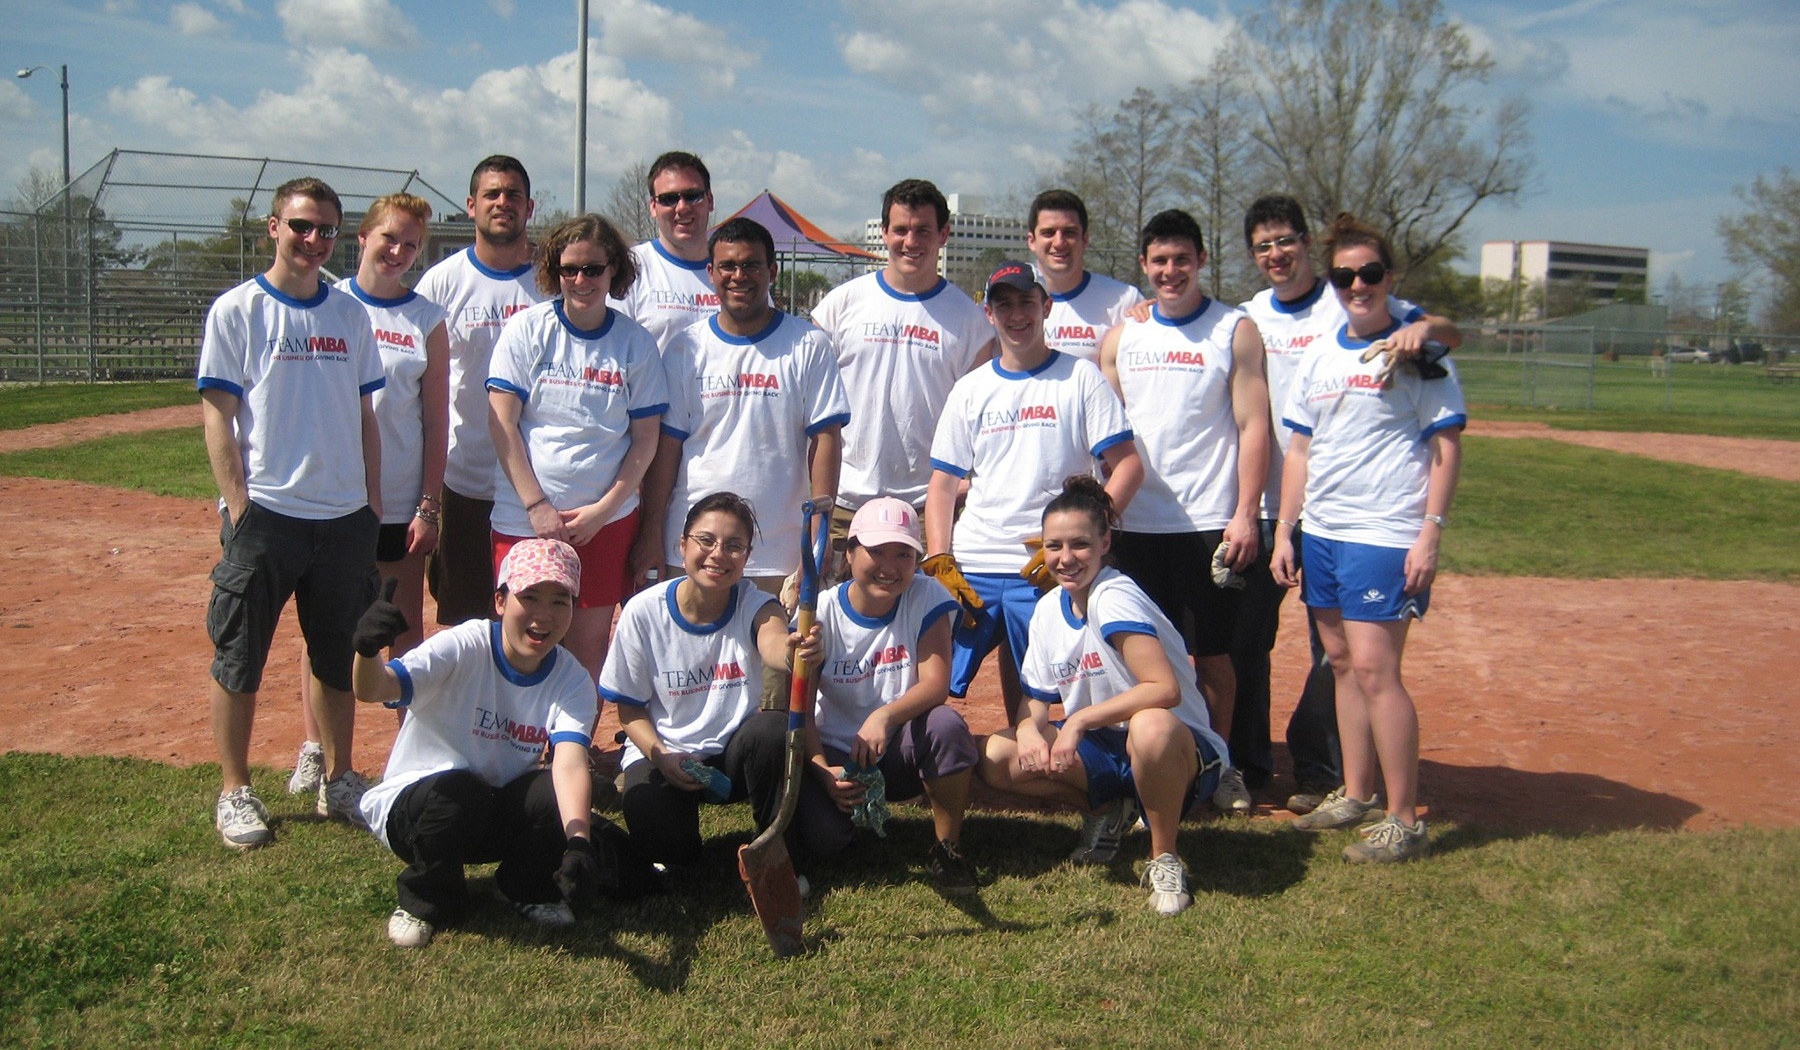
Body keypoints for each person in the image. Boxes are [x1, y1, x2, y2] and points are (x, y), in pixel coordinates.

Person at [1237, 194, 1461, 814]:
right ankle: (1324, 786)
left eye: (1367, 274)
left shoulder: (1394, 332)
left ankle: (1370, 797)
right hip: (1306, 516)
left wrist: (1431, 532)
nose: (1356, 285)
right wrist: (1283, 526)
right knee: (1325, 658)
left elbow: (1446, 421)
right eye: (1346, 277)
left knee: (1367, 665)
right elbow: (1299, 443)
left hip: (1380, 524)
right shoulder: (1282, 330)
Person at [198, 176, 384, 849]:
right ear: (273, 228)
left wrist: (371, 503)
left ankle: (339, 779)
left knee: (338, 656)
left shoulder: (348, 315)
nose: (313, 241)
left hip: (342, 518)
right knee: (240, 654)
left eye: (326, 230)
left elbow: (366, 414)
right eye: (300, 226)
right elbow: (218, 417)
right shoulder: (238, 311)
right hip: (267, 515)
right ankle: (235, 790)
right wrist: (241, 508)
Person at [979, 476, 1228, 917]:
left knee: (1149, 725)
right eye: (1054, 545)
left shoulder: (1114, 597)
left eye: (1079, 544)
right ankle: (1110, 807)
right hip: (1106, 745)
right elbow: (1034, 699)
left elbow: (1163, 690)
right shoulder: (1046, 610)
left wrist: (1077, 721)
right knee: (997, 754)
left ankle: (1164, 857)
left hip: (1176, 746)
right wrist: (1030, 731)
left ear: (1105, 541)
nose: (1065, 557)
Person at [352, 539, 607, 948]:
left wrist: (579, 841)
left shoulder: (572, 678)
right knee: (459, 790)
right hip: (420, 811)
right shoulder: (463, 645)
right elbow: (377, 688)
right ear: (501, 601)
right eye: (530, 597)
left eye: (561, 601)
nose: (544, 615)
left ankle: (522, 886)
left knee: (549, 793)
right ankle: (426, 899)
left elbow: (570, 763)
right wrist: (366, 653)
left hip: (488, 809)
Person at [1097, 209, 1268, 816]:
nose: (1171, 271)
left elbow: (1254, 427)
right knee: (1139, 656)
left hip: (1207, 522)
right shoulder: (1123, 338)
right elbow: (1103, 435)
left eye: (1182, 259)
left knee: (1213, 657)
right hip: (1135, 527)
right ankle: (1142, 765)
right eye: (1160, 261)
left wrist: (1245, 512)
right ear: (1144, 266)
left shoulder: (1234, 330)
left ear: (1200, 262)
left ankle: (1222, 765)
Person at [925, 261, 1142, 722]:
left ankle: (1043, 764)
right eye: (1004, 304)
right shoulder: (970, 389)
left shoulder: (1079, 378)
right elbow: (943, 485)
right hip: (975, 566)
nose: (1017, 314)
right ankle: (918, 765)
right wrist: (939, 558)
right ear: (989, 313)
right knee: (934, 673)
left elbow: (1127, 467)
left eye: (1027, 302)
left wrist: (1078, 542)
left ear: (1046, 307)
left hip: (1043, 568)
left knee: (1044, 681)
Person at [289, 192, 451, 797]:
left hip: (399, 498)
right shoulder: (330, 306)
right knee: (329, 628)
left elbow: (436, 421)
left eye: (411, 244)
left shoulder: (427, 320)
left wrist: (428, 503)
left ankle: (408, 751)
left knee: (401, 626)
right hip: (334, 496)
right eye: (389, 238)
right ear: (361, 237)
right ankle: (318, 749)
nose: (399, 252)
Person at [486, 214, 667, 684]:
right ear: (554, 271)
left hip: (603, 523)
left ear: (614, 271)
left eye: (593, 269)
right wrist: (537, 505)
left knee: (590, 644)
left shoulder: (634, 342)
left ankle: (572, 751)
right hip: (524, 519)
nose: (581, 280)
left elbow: (645, 440)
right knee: (521, 638)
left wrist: (604, 511)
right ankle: (517, 751)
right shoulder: (527, 330)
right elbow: (502, 422)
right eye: (569, 270)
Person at [633, 216, 849, 593]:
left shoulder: (809, 344)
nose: (739, 276)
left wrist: (819, 528)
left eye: (750, 265)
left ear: (772, 271)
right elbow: (667, 449)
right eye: (728, 266)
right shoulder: (686, 348)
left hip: (776, 550)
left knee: (773, 651)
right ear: (711, 273)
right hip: (694, 544)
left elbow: (826, 439)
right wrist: (652, 530)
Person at [598, 492, 798, 869]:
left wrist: (794, 651)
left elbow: (773, 643)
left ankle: (775, 848)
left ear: (747, 556)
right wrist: (661, 755)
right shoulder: (643, 613)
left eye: (734, 546)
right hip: (665, 754)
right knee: (673, 864)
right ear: (682, 544)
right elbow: (628, 709)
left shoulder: (756, 604)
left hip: (733, 756)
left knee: (774, 729)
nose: (718, 554)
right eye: (706, 540)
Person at [789, 497, 978, 893]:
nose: (889, 568)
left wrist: (884, 717)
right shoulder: (820, 613)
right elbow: (800, 712)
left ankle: (948, 849)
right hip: (837, 754)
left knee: (945, 725)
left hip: (896, 750)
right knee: (827, 841)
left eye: (903, 554)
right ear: (850, 552)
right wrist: (823, 772)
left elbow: (936, 683)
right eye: (876, 551)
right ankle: (842, 816)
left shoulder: (927, 596)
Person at [810, 178, 995, 540]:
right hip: (841, 503)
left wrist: (962, 487)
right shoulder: (839, 306)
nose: (911, 242)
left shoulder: (970, 321)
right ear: (884, 232)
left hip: (927, 510)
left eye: (923, 230)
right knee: (828, 599)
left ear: (943, 234)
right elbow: (807, 405)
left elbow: (980, 422)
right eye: (901, 230)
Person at [415, 155, 542, 626]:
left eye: (513, 195)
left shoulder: (554, 280)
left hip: (539, 482)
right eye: (492, 194)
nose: (502, 203)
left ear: (530, 207)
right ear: (471, 205)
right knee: (465, 620)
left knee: (537, 618)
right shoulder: (443, 282)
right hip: (465, 479)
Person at [609, 151, 721, 348]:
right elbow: (612, 351)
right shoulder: (630, 268)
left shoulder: (735, 271)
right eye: (669, 199)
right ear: (653, 206)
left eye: (693, 196)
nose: (682, 207)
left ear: (710, 200)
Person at [1026, 189, 1143, 365]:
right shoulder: (1004, 302)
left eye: (1069, 232)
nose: (1059, 242)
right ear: (1032, 241)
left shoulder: (1125, 300)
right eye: (1048, 232)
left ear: (1085, 239)